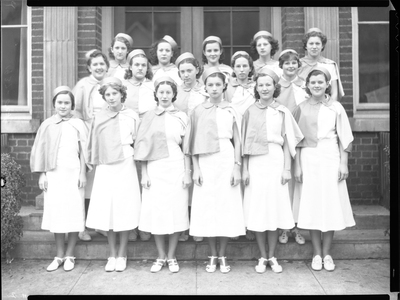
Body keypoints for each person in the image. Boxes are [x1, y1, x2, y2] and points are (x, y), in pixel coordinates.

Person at [241, 68, 304, 274]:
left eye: (268, 84)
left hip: (276, 160)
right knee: (259, 208)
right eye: (261, 85)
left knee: (274, 208)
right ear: (256, 88)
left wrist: (286, 168)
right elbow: (244, 143)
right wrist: (245, 170)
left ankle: (273, 256)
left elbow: (287, 142)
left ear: (274, 87)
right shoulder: (249, 111)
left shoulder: (282, 111)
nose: (265, 88)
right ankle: (262, 256)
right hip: (256, 163)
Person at [293, 67, 355, 272]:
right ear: (308, 85)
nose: (317, 85)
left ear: (327, 84)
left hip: (330, 156)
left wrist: (343, 163)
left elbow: (344, 136)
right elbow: (296, 141)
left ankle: (327, 253)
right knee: (312, 203)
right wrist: (298, 166)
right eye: (313, 82)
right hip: (309, 158)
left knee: (330, 203)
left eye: (321, 82)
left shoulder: (335, 107)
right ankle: (316, 253)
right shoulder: (300, 108)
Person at [185, 67, 246, 273]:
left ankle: (223, 254)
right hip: (205, 160)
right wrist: (195, 169)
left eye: (218, 84)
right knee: (208, 206)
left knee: (226, 204)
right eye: (210, 85)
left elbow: (237, 140)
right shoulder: (198, 111)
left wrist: (237, 167)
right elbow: (192, 142)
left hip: (226, 157)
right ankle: (212, 254)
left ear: (224, 86)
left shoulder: (231, 109)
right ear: (204, 87)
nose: (214, 88)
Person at [135, 76, 191, 273]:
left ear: (174, 94)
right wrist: (144, 173)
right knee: (157, 212)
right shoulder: (149, 116)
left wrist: (187, 172)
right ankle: (160, 256)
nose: (165, 96)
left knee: (176, 210)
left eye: (168, 92)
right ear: (156, 95)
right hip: (155, 168)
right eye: (161, 92)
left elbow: (187, 148)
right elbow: (142, 147)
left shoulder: (182, 117)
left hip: (176, 166)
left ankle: (172, 256)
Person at [85, 77, 141, 272]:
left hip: (126, 162)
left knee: (124, 207)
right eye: (107, 94)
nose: (111, 98)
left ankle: (123, 253)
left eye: (114, 93)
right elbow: (94, 141)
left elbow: (137, 140)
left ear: (121, 94)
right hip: (106, 165)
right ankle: (112, 254)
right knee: (108, 208)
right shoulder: (99, 117)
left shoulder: (131, 116)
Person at [30, 86, 89, 272]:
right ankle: (59, 254)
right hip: (54, 174)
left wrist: (82, 174)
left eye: (67, 103)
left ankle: (70, 254)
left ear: (72, 105)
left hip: (73, 173)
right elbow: (41, 150)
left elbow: (84, 152)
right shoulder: (47, 124)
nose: (63, 106)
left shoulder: (78, 124)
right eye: (60, 102)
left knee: (73, 212)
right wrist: (42, 173)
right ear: (54, 104)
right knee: (57, 213)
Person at [73, 49, 110, 241]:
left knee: (102, 182)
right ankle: (82, 226)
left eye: (102, 64)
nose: (99, 67)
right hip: (88, 135)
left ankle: (101, 224)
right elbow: (77, 113)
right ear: (89, 67)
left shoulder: (111, 84)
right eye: (95, 64)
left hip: (105, 137)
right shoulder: (82, 86)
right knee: (86, 181)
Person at [274, 49, 308, 246]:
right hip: (283, 140)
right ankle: (284, 227)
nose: (290, 66)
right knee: (285, 185)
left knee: (299, 185)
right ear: (281, 66)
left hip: (302, 140)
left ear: (298, 65)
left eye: (294, 63)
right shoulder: (276, 86)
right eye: (286, 63)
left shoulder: (305, 85)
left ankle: (297, 226)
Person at [122, 48, 156, 242]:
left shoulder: (152, 86)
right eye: (137, 65)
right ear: (130, 67)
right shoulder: (123, 85)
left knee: (148, 182)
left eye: (144, 65)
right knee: (131, 183)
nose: (140, 68)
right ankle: (132, 225)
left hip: (149, 134)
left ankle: (146, 225)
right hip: (129, 136)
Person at [174, 52, 207, 243]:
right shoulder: (175, 91)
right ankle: (184, 226)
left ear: (197, 70)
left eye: (189, 70)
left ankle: (199, 225)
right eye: (182, 72)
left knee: (200, 183)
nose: (186, 75)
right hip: (180, 142)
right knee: (183, 182)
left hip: (200, 139)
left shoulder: (204, 91)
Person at [225, 50, 257, 241]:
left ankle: (251, 224)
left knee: (251, 180)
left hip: (253, 134)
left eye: (245, 65)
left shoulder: (256, 86)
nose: (242, 69)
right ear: (233, 69)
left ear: (250, 68)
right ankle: (236, 224)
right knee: (235, 180)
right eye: (238, 66)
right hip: (234, 135)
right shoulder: (227, 87)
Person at [297, 27, 344, 102]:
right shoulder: (298, 65)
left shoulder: (329, 65)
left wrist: (329, 108)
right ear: (306, 45)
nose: (314, 47)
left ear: (322, 45)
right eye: (311, 44)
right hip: (302, 106)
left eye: (317, 43)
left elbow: (334, 93)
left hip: (324, 106)